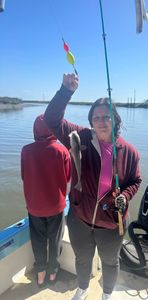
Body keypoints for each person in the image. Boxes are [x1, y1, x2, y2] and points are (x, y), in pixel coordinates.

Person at [44, 73, 142, 300]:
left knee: (110, 261)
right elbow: (51, 119)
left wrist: (125, 196)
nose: (101, 121)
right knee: (82, 258)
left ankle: (107, 294)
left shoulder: (129, 152)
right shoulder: (80, 137)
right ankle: (83, 288)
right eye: (96, 117)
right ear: (90, 121)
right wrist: (65, 91)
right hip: (79, 218)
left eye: (106, 117)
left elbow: (136, 181)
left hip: (111, 223)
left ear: (115, 119)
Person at [21, 114, 71, 287]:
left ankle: (40, 273)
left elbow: (23, 176)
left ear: (35, 130)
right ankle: (53, 273)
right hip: (56, 206)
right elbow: (68, 176)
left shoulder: (26, 150)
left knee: (38, 240)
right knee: (55, 239)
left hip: (34, 206)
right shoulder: (62, 150)